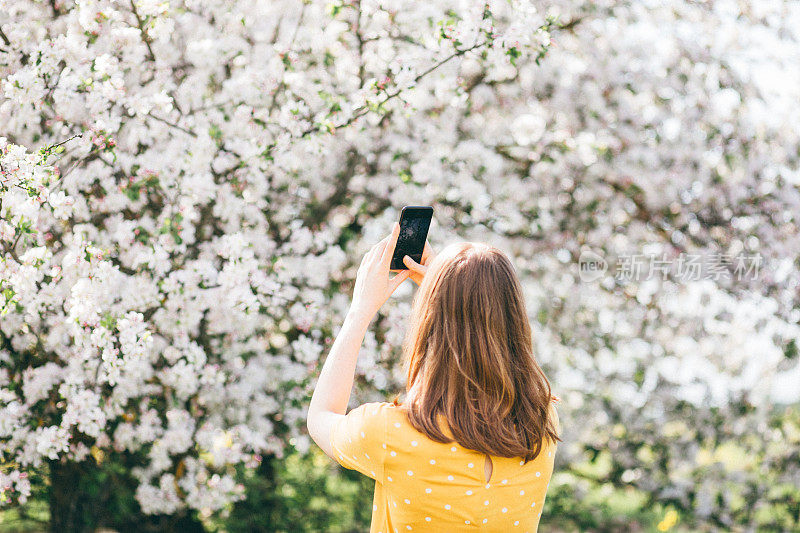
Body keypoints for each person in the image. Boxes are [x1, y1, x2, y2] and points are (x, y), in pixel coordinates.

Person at [307, 222, 561, 532]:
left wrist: (359, 312)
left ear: (430, 323)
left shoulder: (389, 432)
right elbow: (508, 355)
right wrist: (450, 294)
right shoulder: (541, 423)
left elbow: (321, 416)